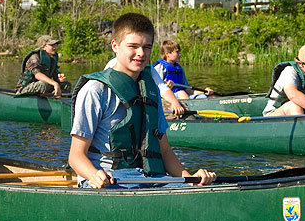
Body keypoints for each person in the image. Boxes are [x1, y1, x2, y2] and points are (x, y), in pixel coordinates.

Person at [68, 12, 215, 189]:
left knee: (198, 190)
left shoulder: (150, 90)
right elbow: (76, 156)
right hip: (109, 180)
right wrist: (94, 175)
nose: (140, 53)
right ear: (115, 46)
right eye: (133, 46)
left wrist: (192, 178)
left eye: (147, 47)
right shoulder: (95, 90)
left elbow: (165, 151)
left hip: (150, 177)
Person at [104, 57, 185, 116]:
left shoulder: (148, 68)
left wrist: (175, 102)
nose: (141, 53)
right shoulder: (113, 65)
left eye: (146, 47)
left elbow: (162, 88)